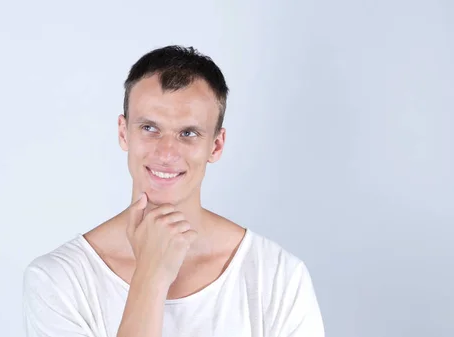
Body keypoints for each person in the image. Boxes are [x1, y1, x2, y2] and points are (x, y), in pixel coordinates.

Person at [22, 45, 325, 337]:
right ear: (123, 132)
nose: (166, 153)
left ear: (216, 145)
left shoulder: (277, 276)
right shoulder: (58, 281)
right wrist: (151, 278)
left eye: (188, 133)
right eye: (150, 128)